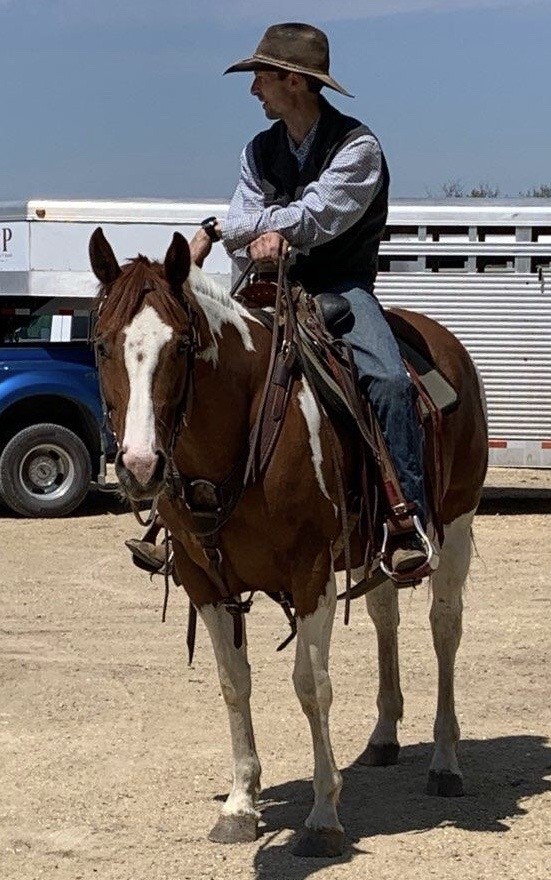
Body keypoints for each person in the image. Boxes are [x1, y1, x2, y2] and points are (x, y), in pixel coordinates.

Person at [129, 22, 428, 576]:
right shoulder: (257, 151)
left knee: (387, 379)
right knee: (196, 359)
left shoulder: (359, 148)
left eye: (261, 77)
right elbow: (246, 222)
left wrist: (237, 228)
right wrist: (239, 228)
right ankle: (170, 519)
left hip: (340, 288)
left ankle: (405, 518)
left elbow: (315, 217)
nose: (253, 90)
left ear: (294, 81)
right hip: (267, 288)